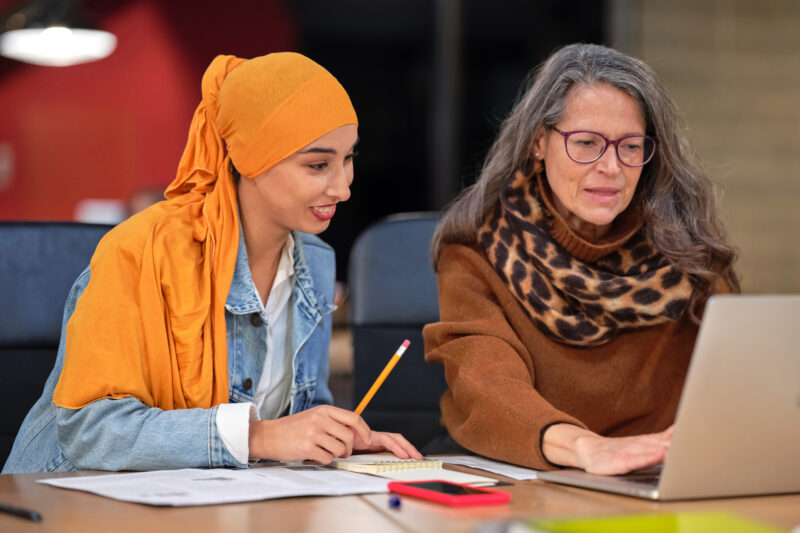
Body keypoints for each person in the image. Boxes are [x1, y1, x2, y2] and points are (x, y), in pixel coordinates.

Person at [4, 52, 420, 473]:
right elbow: (87, 431)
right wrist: (258, 436)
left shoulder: (315, 261)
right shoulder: (139, 250)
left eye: (348, 158)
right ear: (249, 157)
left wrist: (338, 440)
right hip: (63, 505)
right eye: (318, 164)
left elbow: (297, 417)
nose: (343, 188)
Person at [424, 43, 738, 475]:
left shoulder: (690, 254)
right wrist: (587, 448)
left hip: (657, 479)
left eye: (630, 146)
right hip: (521, 477)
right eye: (587, 143)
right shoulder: (477, 249)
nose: (611, 166)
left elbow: (739, 383)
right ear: (538, 142)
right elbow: (487, 385)